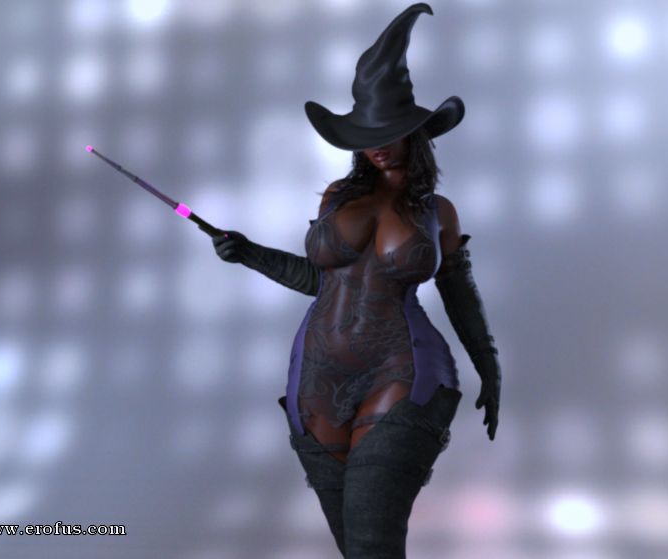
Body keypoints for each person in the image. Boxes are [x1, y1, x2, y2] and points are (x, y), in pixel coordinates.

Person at [211, 4, 501, 557]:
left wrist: (490, 366)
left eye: (389, 131)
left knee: (373, 544)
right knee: (358, 549)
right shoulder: (336, 197)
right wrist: (246, 253)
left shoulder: (438, 212)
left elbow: (459, 294)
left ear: (416, 132)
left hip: (403, 372)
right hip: (316, 379)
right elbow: (319, 279)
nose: (377, 144)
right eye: (366, 133)